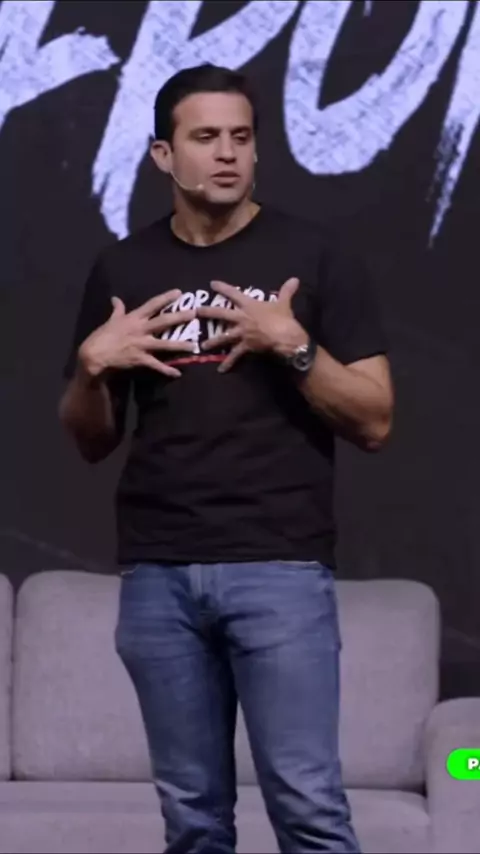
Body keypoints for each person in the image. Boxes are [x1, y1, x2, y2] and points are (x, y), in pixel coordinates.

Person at [59, 63, 393, 854]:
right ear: (163, 155)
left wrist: (294, 345)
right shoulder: (123, 268)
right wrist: (91, 369)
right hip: (158, 573)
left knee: (308, 808)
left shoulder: (314, 256)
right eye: (205, 137)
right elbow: (91, 440)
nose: (227, 153)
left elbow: (376, 419)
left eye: (241, 137)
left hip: (278, 566)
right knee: (192, 819)